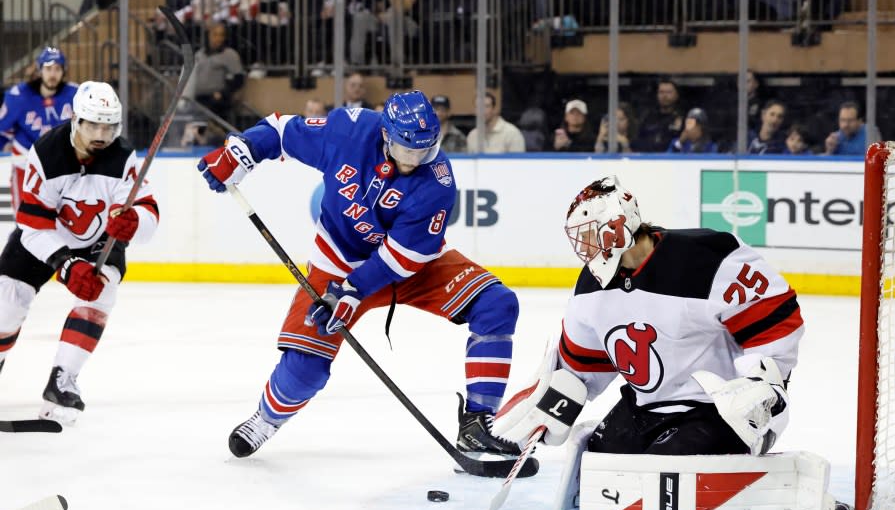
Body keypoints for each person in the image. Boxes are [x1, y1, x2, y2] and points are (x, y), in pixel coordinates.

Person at [196, 90, 525, 470]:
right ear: (386, 135)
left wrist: (353, 291)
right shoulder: (349, 132)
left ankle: (476, 423)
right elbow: (282, 131)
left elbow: (404, 257)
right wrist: (241, 153)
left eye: (425, 150)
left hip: (408, 267)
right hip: (336, 259)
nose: (416, 159)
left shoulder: (437, 181)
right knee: (305, 369)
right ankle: (266, 419)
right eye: (407, 150)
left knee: (496, 305)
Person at [493, 175, 803, 461]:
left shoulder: (706, 257)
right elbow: (582, 362)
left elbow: (775, 319)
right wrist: (555, 403)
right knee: (600, 463)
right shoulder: (589, 287)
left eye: (588, 236)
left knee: (662, 475)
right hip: (642, 407)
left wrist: (763, 384)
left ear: (614, 228)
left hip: (711, 408)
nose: (583, 248)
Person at [0, 82, 158, 424]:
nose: (102, 134)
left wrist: (132, 221)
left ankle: (62, 379)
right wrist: (65, 264)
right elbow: (33, 224)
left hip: (96, 240)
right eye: (93, 125)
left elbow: (148, 214)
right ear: (76, 120)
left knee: (103, 288)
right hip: (43, 236)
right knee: (6, 302)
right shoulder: (46, 152)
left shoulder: (123, 156)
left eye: (109, 126)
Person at [0, 47, 78, 210]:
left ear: (63, 71)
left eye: (57, 69)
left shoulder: (75, 95)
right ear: (40, 70)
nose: (53, 74)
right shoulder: (19, 96)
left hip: (62, 168)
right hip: (26, 167)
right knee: (23, 221)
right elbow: (3, 129)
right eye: (48, 69)